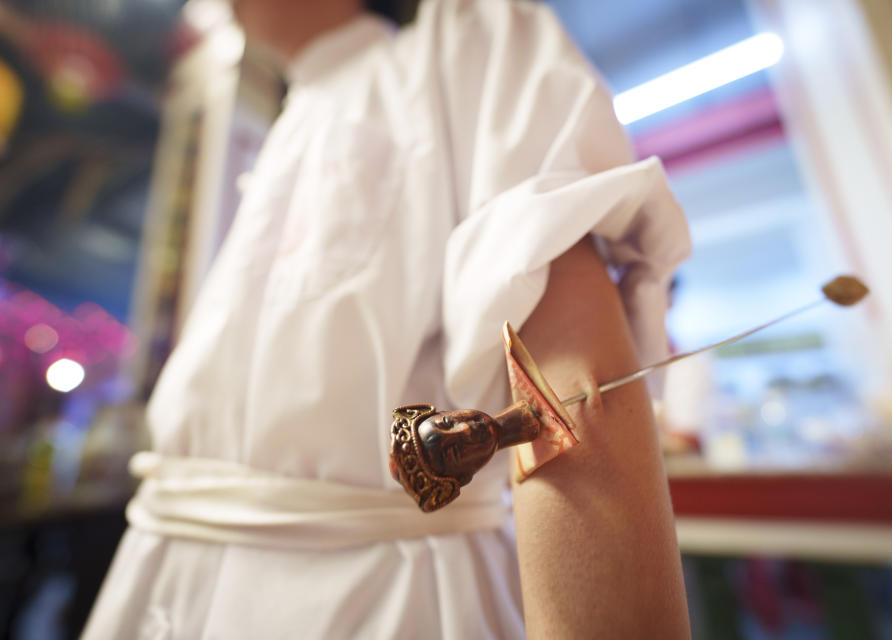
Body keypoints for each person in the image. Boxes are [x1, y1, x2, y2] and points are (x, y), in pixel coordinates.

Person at [83, 0, 692, 637]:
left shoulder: (467, 34)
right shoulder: (293, 116)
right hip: (157, 574)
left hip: (383, 601)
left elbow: (567, 353)